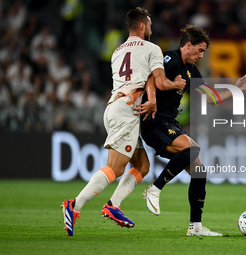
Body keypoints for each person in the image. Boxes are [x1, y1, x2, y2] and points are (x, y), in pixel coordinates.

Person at [109, 25, 246, 236]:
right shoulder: (170, 59)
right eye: (200, 50)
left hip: (169, 123)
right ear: (188, 45)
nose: (201, 55)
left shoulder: (192, 71)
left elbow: (211, 98)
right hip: (154, 121)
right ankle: (155, 189)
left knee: (199, 172)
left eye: (204, 51)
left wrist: (236, 89)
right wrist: (154, 100)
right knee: (193, 150)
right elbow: (151, 77)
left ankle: (196, 227)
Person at [61, 7, 183, 236]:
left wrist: (153, 99)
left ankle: (113, 206)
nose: (151, 29)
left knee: (142, 166)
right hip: (127, 110)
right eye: (149, 25)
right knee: (115, 168)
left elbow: (143, 79)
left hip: (116, 106)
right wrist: (176, 84)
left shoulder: (117, 51)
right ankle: (74, 205)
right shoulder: (152, 48)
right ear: (142, 26)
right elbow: (160, 81)